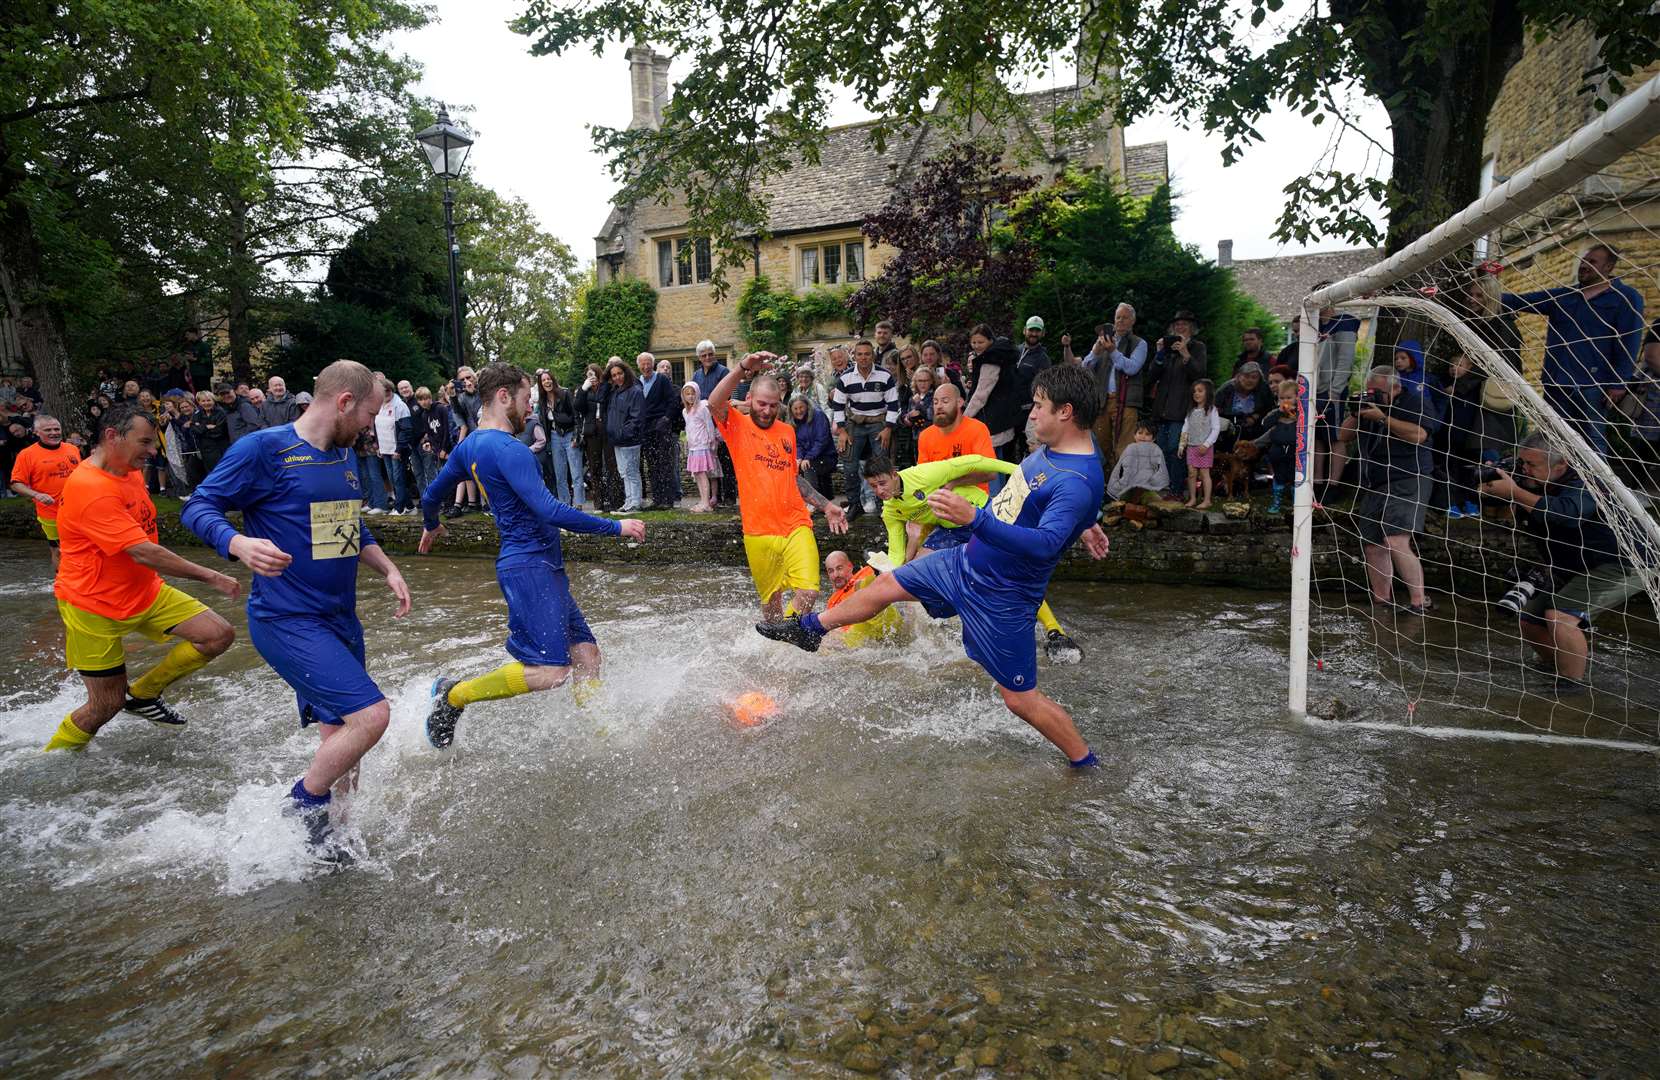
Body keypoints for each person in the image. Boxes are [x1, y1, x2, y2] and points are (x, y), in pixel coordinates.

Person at [758, 365, 1111, 766]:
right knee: (886, 586)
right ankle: (810, 630)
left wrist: (975, 518)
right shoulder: (1065, 450)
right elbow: (1047, 500)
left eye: (1040, 407)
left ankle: (1085, 763)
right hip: (964, 562)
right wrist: (1084, 523)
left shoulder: (1077, 481)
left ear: (1066, 412)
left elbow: (1046, 544)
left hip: (1002, 596)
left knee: (1020, 700)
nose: (1031, 414)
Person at [181, 360, 413, 860]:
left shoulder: (344, 455)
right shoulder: (263, 449)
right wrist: (237, 543)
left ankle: (337, 836)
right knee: (371, 717)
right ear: (344, 402)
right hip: (286, 619)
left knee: (347, 735)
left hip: (339, 618)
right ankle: (301, 805)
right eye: (369, 414)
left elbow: (349, 526)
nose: (372, 425)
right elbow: (197, 507)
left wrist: (387, 568)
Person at [417, 363, 647, 746]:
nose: (531, 409)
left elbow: (430, 496)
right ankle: (454, 694)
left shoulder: (469, 445)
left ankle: (601, 735)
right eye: (527, 399)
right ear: (504, 396)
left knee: (587, 654)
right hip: (529, 566)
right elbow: (551, 511)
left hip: (541, 565)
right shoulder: (512, 450)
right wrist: (615, 526)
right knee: (551, 671)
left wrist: (430, 522)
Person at [42, 404, 239, 753]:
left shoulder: (128, 470)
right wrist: (211, 575)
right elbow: (143, 551)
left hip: (143, 590)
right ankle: (53, 760)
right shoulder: (90, 487)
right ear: (112, 436)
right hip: (92, 605)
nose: (152, 452)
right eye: (145, 442)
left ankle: (144, 694)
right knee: (105, 705)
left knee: (217, 635)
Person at [1480, 432, 1648, 695]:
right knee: (1531, 618)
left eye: (1532, 465)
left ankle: (1572, 688)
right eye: (1522, 463)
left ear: (1562, 465)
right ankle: (1560, 667)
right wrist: (1493, 488)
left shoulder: (1589, 482)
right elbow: (1502, 508)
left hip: (1625, 562)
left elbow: (1566, 514)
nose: (1524, 469)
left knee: (1560, 616)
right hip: (1576, 562)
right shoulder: (1528, 476)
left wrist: (1514, 491)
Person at [709, 351, 848, 618]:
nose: (767, 411)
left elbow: (790, 477)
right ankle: (779, 643)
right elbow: (714, 402)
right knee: (771, 601)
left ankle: (788, 633)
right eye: (762, 404)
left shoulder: (787, 432)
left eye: (773, 405)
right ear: (749, 399)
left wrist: (825, 505)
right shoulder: (736, 424)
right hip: (758, 530)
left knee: (809, 591)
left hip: (795, 524)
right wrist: (741, 368)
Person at [1503, 244, 1645, 457]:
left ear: (1608, 266)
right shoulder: (1564, 296)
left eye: (1592, 262)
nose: (1584, 266)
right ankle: (1561, 485)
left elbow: (1630, 341)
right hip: (1556, 383)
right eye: (1583, 261)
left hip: (1593, 385)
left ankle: (1598, 489)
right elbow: (1519, 301)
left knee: (1592, 439)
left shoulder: (1626, 297)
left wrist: (1619, 382)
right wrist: (1484, 290)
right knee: (1553, 438)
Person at [1337, 366, 1439, 616]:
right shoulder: (1368, 408)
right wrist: (1357, 412)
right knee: (1372, 544)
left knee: (1395, 539)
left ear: (1396, 387)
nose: (1375, 396)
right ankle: (1382, 601)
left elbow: (1419, 435)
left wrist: (1382, 417)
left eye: (1379, 392)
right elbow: (1343, 435)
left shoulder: (1416, 402)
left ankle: (1418, 602)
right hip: (1374, 482)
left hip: (1408, 477)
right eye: (1371, 391)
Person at [1071, 302, 1148, 467]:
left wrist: (1112, 350)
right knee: (1100, 444)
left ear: (1133, 321)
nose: (1120, 321)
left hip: (1126, 402)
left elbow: (1132, 368)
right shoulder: (1103, 341)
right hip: (1102, 400)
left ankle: (1121, 488)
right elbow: (1085, 368)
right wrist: (1095, 352)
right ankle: (1104, 484)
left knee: (1124, 447)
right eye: (1118, 317)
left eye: (1125, 318)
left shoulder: (1139, 343)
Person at [830, 338, 900, 519]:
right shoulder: (845, 378)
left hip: (879, 423)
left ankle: (884, 505)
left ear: (873, 356)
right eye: (859, 354)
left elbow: (893, 404)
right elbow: (838, 406)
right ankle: (855, 504)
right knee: (849, 465)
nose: (863, 358)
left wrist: (888, 429)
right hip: (855, 424)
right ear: (855, 356)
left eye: (867, 354)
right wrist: (842, 431)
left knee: (881, 465)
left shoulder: (885, 376)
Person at [1145, 311, 1209, 497]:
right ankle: (1165, 487)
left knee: (1176, 448)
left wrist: (1185, 353)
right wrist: (1159, 354)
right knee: (1163, 449)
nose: (1180, 327)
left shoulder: (1197, 347)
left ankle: (1176, 490)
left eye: (1184, 324)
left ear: (1192, 328)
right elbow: (1151, 376)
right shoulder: (1168, 350)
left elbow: (1200, 375)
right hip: (1162, 409)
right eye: (1177, 325)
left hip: (1181, 410)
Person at [10, 414, 81, 568]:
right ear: (36, 432)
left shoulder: (73, 449)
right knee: (58, 550)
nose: (54, 433)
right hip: (50, 512)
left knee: (84, 548)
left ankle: (83, 582)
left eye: (56, 429)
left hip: (79, 510)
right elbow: (16, 484)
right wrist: (37, 495)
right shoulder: (27, 455)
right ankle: (61, 585)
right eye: (48, 430)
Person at [963, 324, 1023, 480]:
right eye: (974, 342)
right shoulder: (1001, 355)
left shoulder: (991, 359)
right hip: (1004, 418)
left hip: (992, 422)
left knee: (992, 467)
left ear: (990, 340)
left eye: (980, 342)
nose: (976, 346)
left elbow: (981, 395)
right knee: (1002, 462)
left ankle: (994, 499)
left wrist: (964, 417)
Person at [822, 550, 906, 648]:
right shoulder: (832, 602)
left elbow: (866, 583)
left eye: (839, 568)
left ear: (850, 566)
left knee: (867, 586)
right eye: (831, 571)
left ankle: (886, 575)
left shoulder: (863, 575)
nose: (836, 575)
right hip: (858, 636)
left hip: (884, 619)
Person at [636, 351, 678, 509]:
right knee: (652, 465)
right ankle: (657, 499)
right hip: (645, 429)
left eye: (648, 363)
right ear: (639, 366)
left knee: (664, 463)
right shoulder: (637, 382)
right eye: (643, 364)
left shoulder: (661, 380)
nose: (646, 367)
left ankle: (667, 500)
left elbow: (673, 401)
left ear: (653, 365)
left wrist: (666, 419)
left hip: (661, 427)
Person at [604, 359, 645, 511]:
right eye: (613, 375)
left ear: (625, 373)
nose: (617, 377)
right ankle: (629, 501)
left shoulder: (635, 391)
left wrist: (623, 433)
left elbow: (637, 418)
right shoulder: (615, 391)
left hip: (630, 440)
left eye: (619, 373)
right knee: (623, 472)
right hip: (617, 440)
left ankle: (635, 502)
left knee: (631, 471)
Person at [1253, 382, 1301, 513]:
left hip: (1294, 451)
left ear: (1297, 397)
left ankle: (1296, 503)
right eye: (1282, 398)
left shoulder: (1301, 414)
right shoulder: (1275, 413)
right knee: (1278, 476)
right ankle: (1277, 501)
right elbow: (1265, 424)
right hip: (1277, 450)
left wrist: (1293, 414)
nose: (1285, 401)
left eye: (1289, 397)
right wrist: (1279, 413)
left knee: (1294, 477)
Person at [543, 371, 584, 508]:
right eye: (543, 380)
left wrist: (576, 436)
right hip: (555, 437)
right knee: (560, 474)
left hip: (569, 434)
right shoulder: (543, 400)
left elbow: (576, 416)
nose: (547, 382)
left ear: (553, 380)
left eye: (549, 379)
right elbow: (544, 422)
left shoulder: (564, 394)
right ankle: (565, 504)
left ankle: (578, 504)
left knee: (576, 472)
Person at [371, 377, 412, 514]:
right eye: (383, 391)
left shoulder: (399, 406)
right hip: (385, 449)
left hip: (396, 450)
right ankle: (410, 506)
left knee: (398, 479)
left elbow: (406, 429)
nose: (386, 394)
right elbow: (377, 427)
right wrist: (379, 446)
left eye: (388, 391)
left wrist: (399, 449)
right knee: (393, 479)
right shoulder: (380, 405)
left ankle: (399, 508)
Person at [1179, 379, 1220, 509]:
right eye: (1194, 391)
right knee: (1191, 473)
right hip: (1191, 446)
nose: (1196, 393)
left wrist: (1207, 444)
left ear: (1208, 393)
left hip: (1205, 448)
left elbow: (1216, 429)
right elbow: (1185, 428)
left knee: (1204, 473)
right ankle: (1192, 498)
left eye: (1200, 391)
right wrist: (1181, 445)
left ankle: (1207, 500)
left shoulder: (1212, 410)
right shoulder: (1191, 411)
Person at [1214, 362, 1273, 452]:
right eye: (1246, 376)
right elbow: (1214, 407)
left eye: (1254, 377)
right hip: (1229, 428)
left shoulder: (1264, 389)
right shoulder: (1227, 388)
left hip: (1254, 428)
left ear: (1259, 379)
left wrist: (1255, 416)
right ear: (1238, 376)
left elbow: (1269, 408)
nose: (1249, 380)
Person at [1015, 315, 1053, 454]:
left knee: (1026, 448)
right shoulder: (1015, 351)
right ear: (1025, 330)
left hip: (1028, 411)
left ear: (1042, 333)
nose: (1034, 334)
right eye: (1031, 330)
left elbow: (1045, 388)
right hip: (1010, 410)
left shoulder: (1043, 358)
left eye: (1037, 331)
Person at [1107, 422, 1170, 504]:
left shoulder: (1156, 449)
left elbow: (1162, 470)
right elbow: (1118, 468)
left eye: (1147, 434)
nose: (1143, 437)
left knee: (1147, 507)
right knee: (1128, 508)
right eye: (1140, 433)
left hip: (1148, 487)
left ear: (1154, 438)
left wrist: (1154, 482)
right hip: (1128, 486)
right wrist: (1118, 483)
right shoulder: (1130, 448)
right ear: (1134, 435)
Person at [410, 385, 454, 501]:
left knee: (451, 475)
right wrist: (435, 448)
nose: (424, 402)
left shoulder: (441, 408)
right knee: (440, 476)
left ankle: (452, 502)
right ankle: (443, 501)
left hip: (448, 447)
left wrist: (444, 448)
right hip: (438, 450)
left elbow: (447, 429)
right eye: (420, 400)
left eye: (426, 398)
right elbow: (430, 434)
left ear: (430, 398)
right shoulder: (424, 415)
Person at [682, 381, 721, 512]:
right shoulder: (685, 412)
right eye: (687, 394)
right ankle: (703, 500)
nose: (690, 396)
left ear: (697, 393)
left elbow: (709, 425)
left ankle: (706, 502)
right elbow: (688, 428)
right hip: (693, 447)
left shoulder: (702, 408)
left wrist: (711, 441)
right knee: (698, 475)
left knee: (703, 475)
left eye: (693, 393)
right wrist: (688, 442)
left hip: (702, 446)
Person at [189, 390, 231, 478]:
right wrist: (207, 427)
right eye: (203, 401)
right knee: (211, 474)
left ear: (213, 400)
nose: (206, 403)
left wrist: (201, 428)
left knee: (224, 472)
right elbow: (193, 430)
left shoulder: (220, 412)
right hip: (205, 450)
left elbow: (218, 432)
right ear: (199, 402)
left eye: (208, 400)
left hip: (220, 448)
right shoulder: (197, 414)